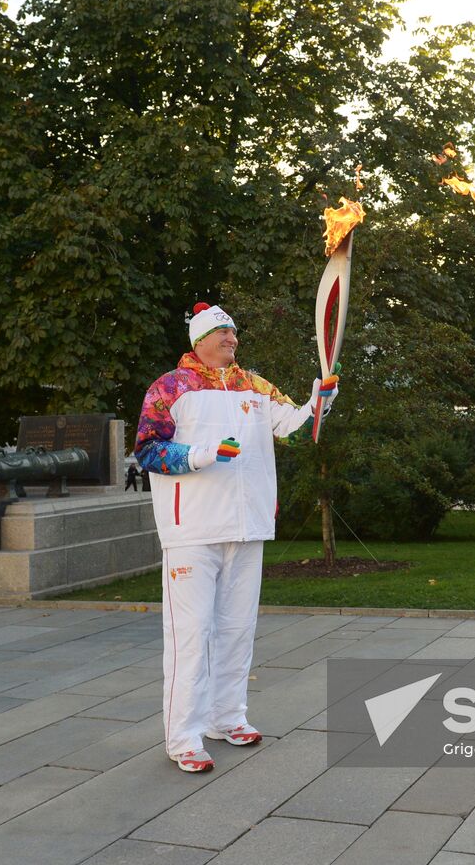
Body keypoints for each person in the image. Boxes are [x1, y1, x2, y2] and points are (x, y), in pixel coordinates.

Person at [136, 302, 338, 772]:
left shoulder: (255, 385)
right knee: (190, 636)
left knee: (236, 629)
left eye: (234, 333)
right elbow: (147, 449)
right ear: (200, 340)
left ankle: (227, 717)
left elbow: (292, 428)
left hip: (247, 527)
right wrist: (204, 454)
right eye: (224, 333)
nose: (233, 340)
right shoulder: (171, 387)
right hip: (192, 530)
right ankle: (183, 737)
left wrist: (320, 399)